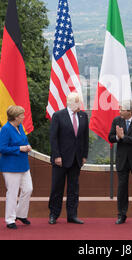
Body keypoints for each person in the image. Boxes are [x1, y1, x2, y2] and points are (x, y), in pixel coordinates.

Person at [49, 92, 89, 225]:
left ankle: (72, 215)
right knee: (57, 188)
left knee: (73, 189)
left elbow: (85, 138)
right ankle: (53, 214)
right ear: (70, 103)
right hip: (60, 159)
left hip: (76, 159)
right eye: (77, 102)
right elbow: (53, 138)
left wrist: (84, 155)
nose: (80, 105)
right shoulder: (58, 116)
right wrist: (57, 155)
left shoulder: (83, 116)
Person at [0, 105, 33, 229]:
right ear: (16, 117)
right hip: (11, 166)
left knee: (28, 189)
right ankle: (10, 220)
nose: (24, 117)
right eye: (22, 115)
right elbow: (2, 148)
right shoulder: (6, 129)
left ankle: (21, 214)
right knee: (12, 193)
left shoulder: (20, 127)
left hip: (23, 165)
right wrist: (20, 148)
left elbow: (23, 141)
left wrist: (27, 146)